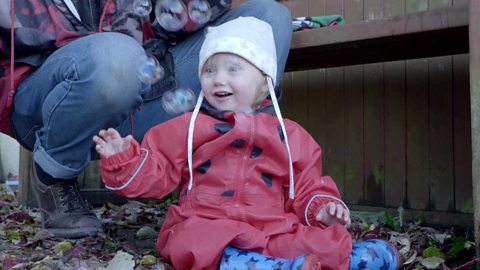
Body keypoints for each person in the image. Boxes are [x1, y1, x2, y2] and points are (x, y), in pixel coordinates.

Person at [93, 16, 400, 270]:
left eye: (233, 69)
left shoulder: (288, 134)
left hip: (271, 225)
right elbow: (157, 171)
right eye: (210, 70)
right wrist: (125, 159)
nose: (218, 79)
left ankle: (346, 258)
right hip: (207, 220)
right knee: (194, 241)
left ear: (264, 80)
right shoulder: (187, 128)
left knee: (318, 240)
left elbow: (307, 185)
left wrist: (322, 207)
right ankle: (274, 265)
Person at [0, 0, 292, 239]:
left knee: (268, 17)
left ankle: (235, 180)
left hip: (144, 87)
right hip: (44, 103)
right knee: (116, 57)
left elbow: (177, 19)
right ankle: (54, 177)